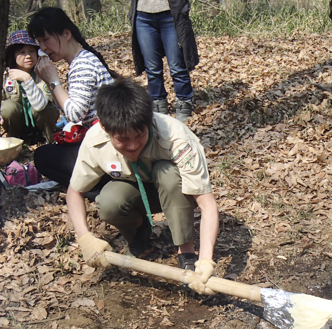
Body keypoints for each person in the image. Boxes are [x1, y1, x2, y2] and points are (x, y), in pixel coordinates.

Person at [68, 78, 219, 294]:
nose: (132, 145)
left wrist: (205, 261)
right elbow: (75, 192)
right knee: (108, 201)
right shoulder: (94, 141)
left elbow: (207, 204)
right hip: (135, 190)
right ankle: (139, 233)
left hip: (173, 189)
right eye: (122, 139)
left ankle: (186, 252)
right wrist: (84, 238)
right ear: (104, 127)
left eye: (140, 136)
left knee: (166, 174)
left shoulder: (176, 137)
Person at [27, 7, 117, 189]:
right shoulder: (81, 60)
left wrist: (53, 81)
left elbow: (75, 114)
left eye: (46, 39)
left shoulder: (82, 64)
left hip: (107, 145)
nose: (43, 48)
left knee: (42, 156)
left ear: (66, 34)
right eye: (39, 42)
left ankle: (98, 185)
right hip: (105, 139)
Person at [129, 0, 199, 123]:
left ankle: (183, 104)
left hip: (170, 13)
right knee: (152, 68)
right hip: (142, 16)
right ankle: (158, 105)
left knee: (177, 65)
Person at [1, 30, 59, 144]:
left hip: (40, 120)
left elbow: (40, 105)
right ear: (13, 55)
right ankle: (15, 141)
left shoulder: (44, 73)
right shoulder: (5, 76)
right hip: (17, 122)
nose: (28, 56)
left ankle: (48, 140)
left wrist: (27, 79)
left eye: (31, 51)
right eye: (22, 52)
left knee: (47, 109)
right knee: (8, 107)